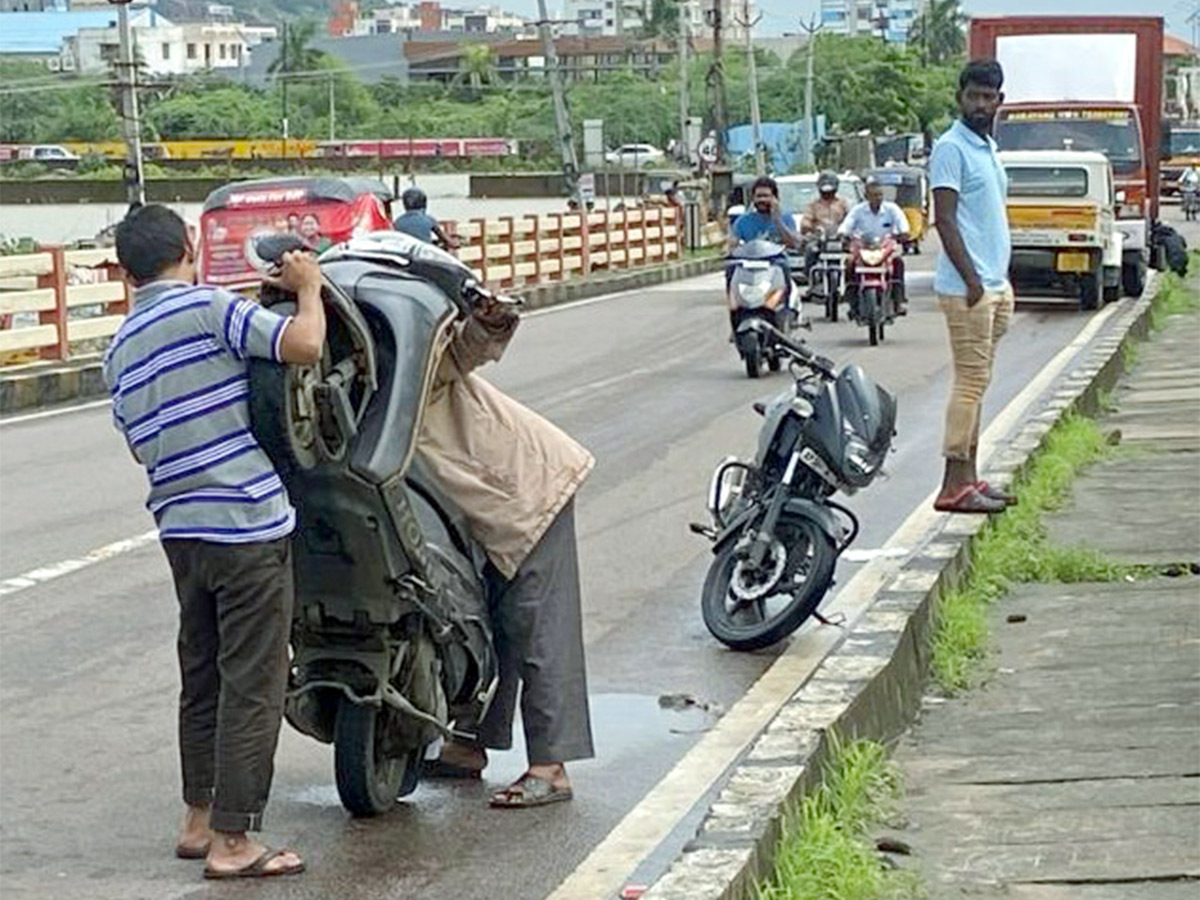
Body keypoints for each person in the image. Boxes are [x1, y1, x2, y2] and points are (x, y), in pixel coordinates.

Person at [103, 205, 326, 879]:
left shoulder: (118, 350)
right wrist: (309, 287)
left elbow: (142, 444)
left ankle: (198, 820)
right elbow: (304, 346)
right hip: (246, 524)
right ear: (190, 246)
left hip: (181, 529)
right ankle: (235, 842)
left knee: (200, 678)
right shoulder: (209, 310)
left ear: (124, 270)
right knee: (252, 682)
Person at [417, 296, 595, 809]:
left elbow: (468, 346)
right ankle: (469, 745)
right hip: (478, 506)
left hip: (528, 486)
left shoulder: (409, 354)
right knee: (481, 616)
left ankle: (550, 767)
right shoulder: (349, 382)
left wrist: (490, 317)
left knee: (536, 623)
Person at [929, 58, 1018, 514]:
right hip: (968, 286)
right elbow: (944, 220)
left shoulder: (987, 148)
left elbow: (990, 218)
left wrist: (1001, 279)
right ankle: (951, 486)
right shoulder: (951, 148)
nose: (981, 104)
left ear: (1000, 100)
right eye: (974, 96)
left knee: (979, 382)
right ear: (960, 97)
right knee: (969, 382)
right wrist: (973, 282)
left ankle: (971, 480)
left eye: (989, 97)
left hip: (993, 282)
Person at [839, 176, 911, 314]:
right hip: (863, 248)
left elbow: (904, 227)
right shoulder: (858, 210)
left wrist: (903, 234)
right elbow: (846, 226)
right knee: (849, 263)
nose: (878, 198)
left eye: (880, 194)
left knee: (898, 262)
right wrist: (843, 234)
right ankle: (851, 299)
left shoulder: (892, 209)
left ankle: (898, 300)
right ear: (866, 196)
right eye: (874, 195)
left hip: (885, 248)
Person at [393, 186, 459, 250]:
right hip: (424, 254)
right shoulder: (429, 219)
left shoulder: (398, 222)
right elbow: (447, 241)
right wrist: (456, 242)